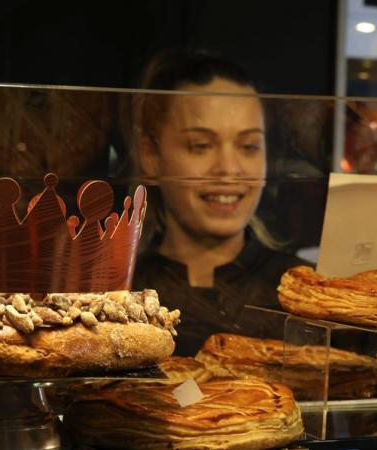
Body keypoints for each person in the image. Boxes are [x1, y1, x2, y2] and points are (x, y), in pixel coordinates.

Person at [129, 50, 307, 356]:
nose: (229, 168)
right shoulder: (119, 291)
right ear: (151, 155)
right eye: (200, 146)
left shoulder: (303, 292)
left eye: (249, 146)